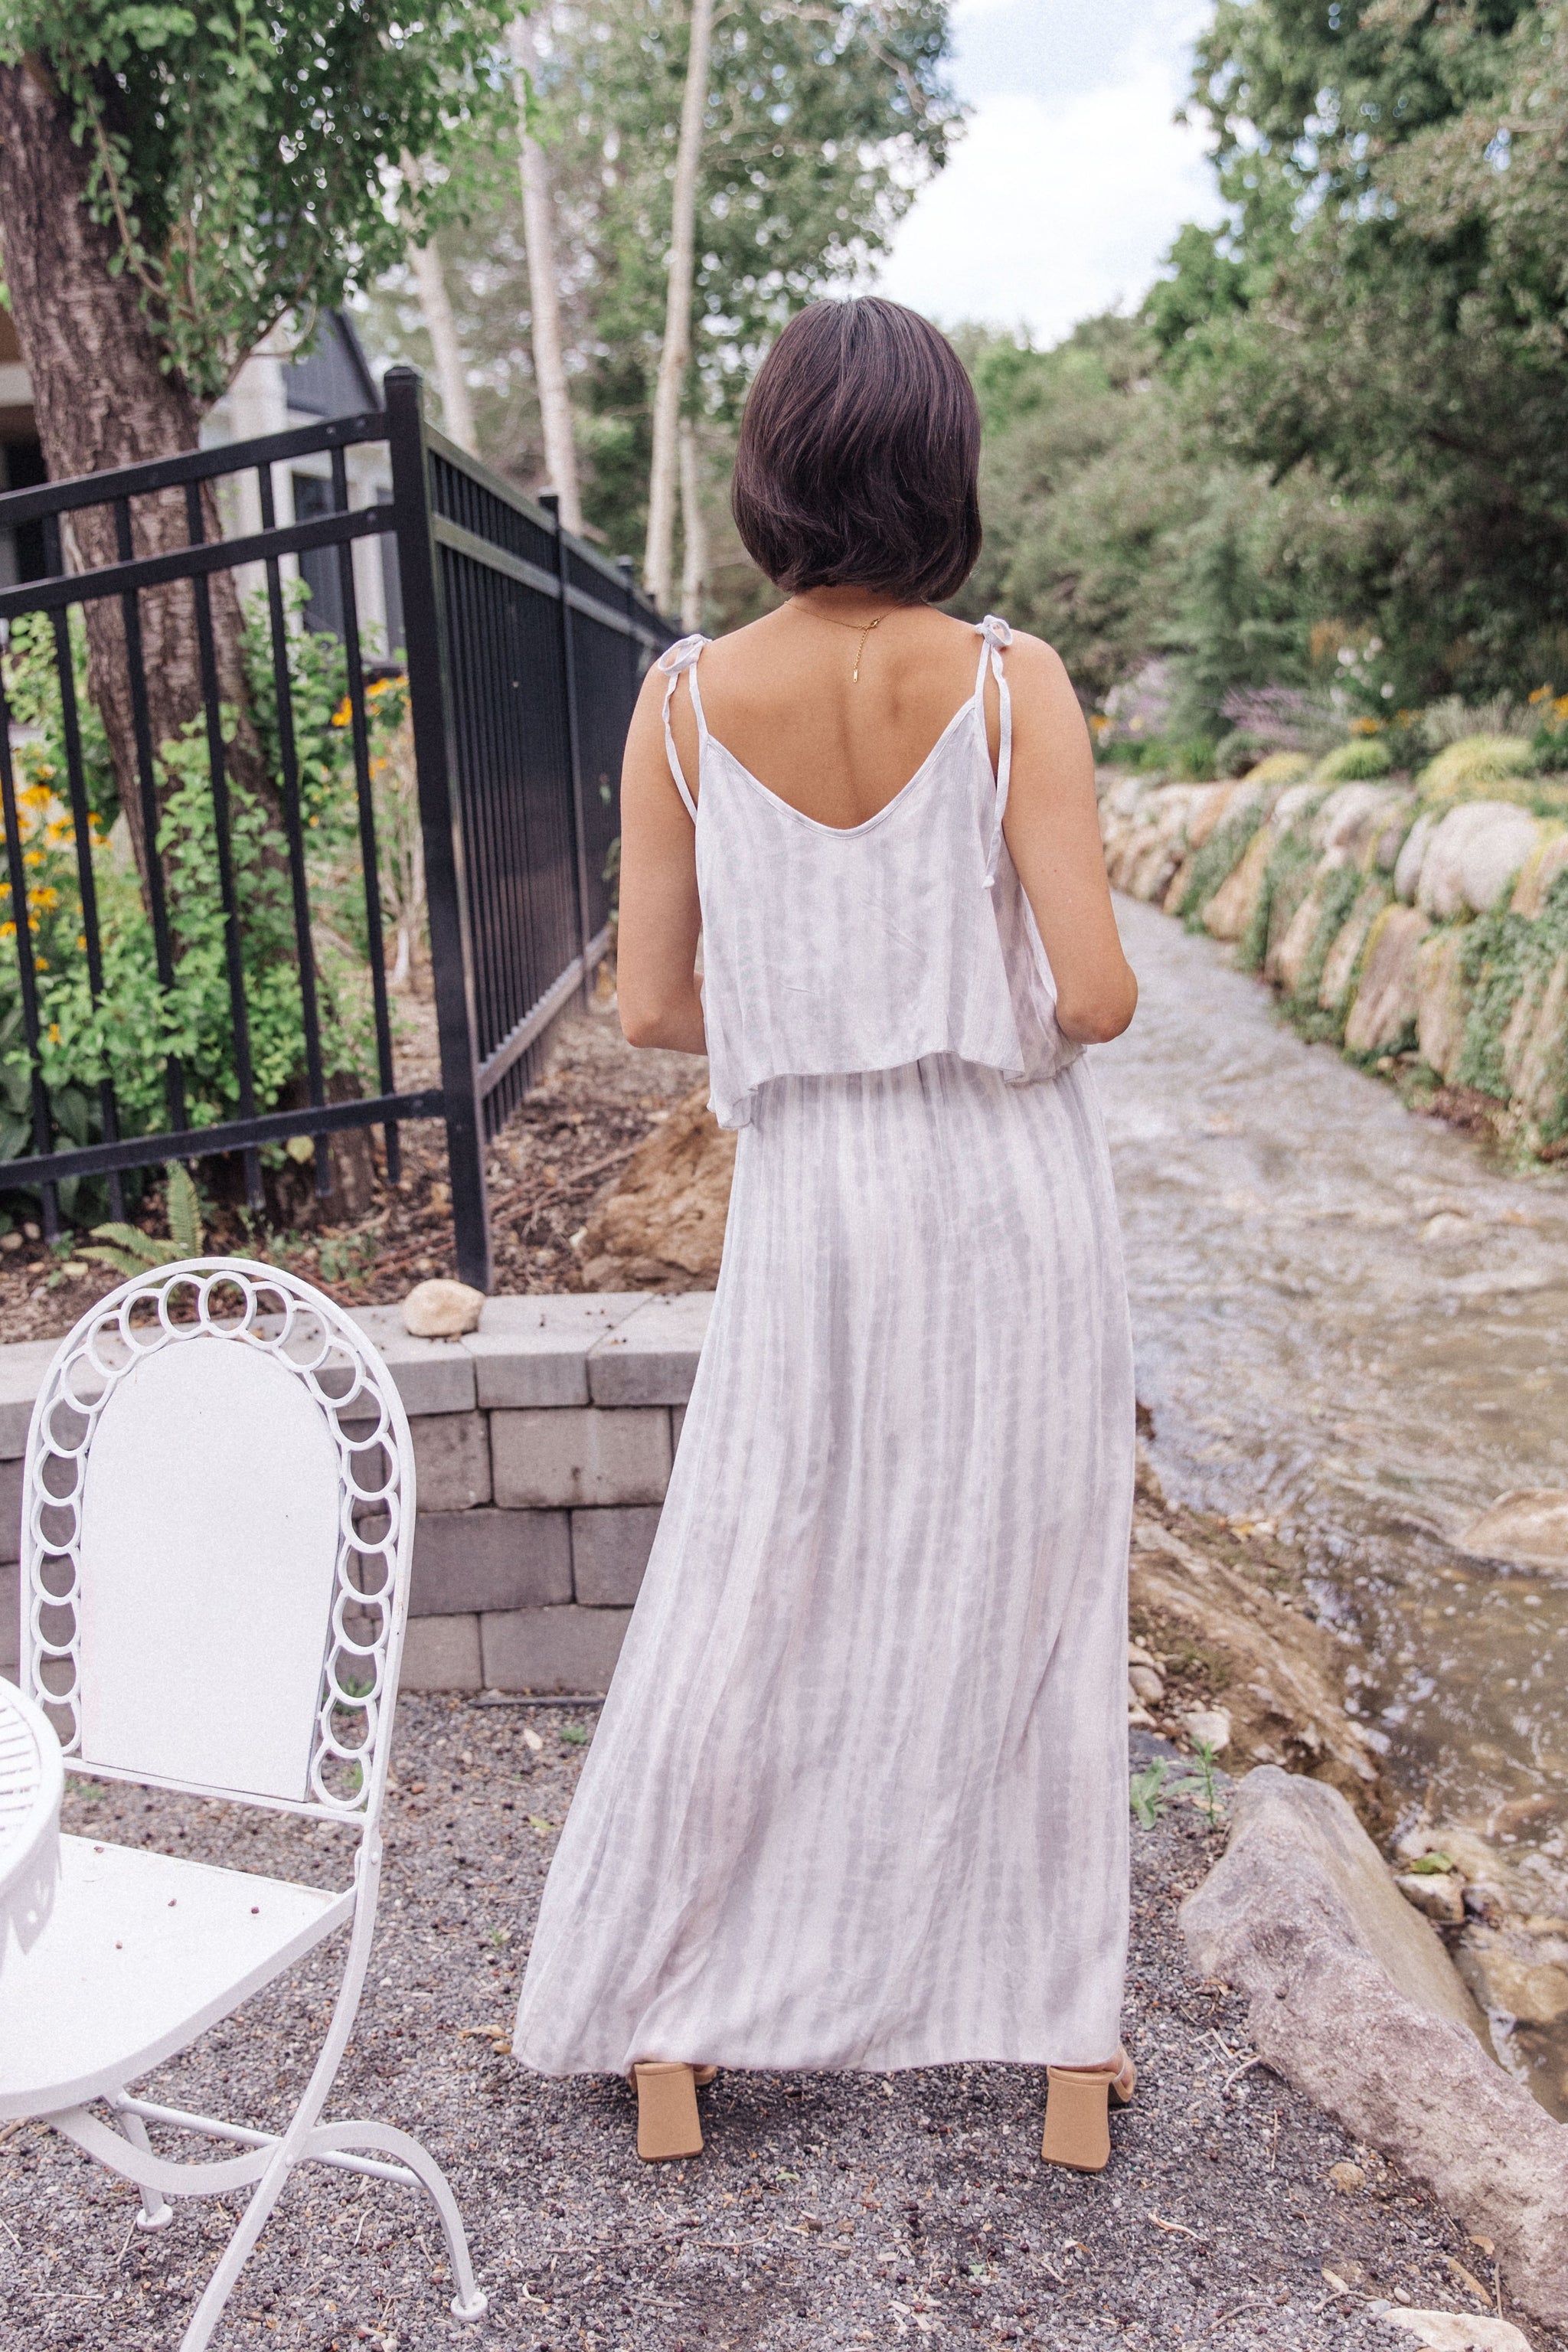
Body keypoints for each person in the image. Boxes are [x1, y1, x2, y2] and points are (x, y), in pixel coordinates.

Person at [511, 295, 1140, 2175]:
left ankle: (679, 2012)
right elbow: (1094, 995)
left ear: (771, 470)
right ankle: (1053, 2038)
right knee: (1022, 1602)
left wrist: (817, 1004)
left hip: (813, 1208)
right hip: (1008, 1191)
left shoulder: (683, 700)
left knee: (762, 1580)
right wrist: (951, 986)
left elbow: (648, 1004)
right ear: (943, 468)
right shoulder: (1011, 681)